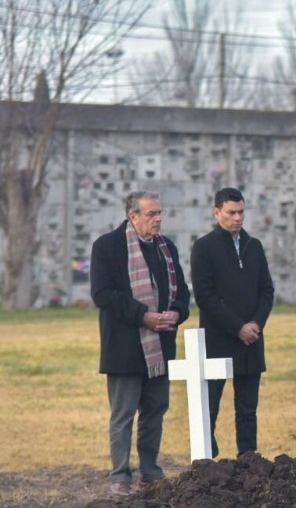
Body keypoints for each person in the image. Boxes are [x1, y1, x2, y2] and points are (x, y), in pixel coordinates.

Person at [91, 191, 191, 496]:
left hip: (160, 346)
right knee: (123, 415)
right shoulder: (107, 246)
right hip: (124, 346)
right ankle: (120, 475)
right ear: (133, 217)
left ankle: (151, 471)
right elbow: (103, 294)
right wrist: (143, 316)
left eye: (160, 213)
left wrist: (177, 312)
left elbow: (183, 294)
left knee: (156, 410)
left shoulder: (167, 248)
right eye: (152, 214)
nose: (159, 219)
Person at [191, 187, 275, 458]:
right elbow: (205, 295)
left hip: (251, 339)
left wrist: (255, 325)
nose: (238, 218)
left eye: (241, 212)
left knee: (248, 408)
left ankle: (248, 459)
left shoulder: (254, 246)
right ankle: (206, 458)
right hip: (218, 338)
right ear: (217, 213)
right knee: (210, 405)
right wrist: (237, 326)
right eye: (231, 213)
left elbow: (266, 291)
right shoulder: (204, 248)